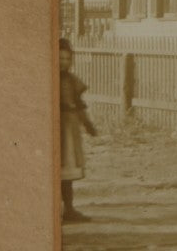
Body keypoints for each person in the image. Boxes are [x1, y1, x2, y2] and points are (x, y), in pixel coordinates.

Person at [59, 38, 98, 224]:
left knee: (67, 171)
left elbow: (79, 105)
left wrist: (87, 124)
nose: (64, 62)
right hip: (53, 129)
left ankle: (69, 209)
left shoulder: (72, 81)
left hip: (68, 128)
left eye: (67, 58)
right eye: (60, 58)